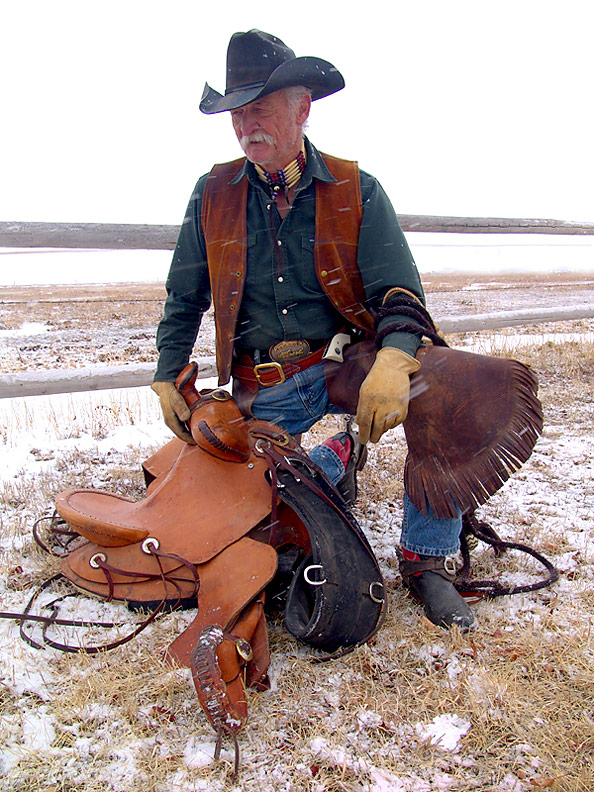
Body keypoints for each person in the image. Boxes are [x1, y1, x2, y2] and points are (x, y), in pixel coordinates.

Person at [152, 29, 474, 631]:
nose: (249, 124)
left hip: (343, 370)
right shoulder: (213, 193)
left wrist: (396, 359)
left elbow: (400, 295)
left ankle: (427, 559)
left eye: (262, 108)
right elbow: (185, 294)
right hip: (263, 385)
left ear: (302, 107)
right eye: (238, 112)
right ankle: (335, 457)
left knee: (442, 394)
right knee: (253, 516)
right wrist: (169, 372)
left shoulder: (358, 189)